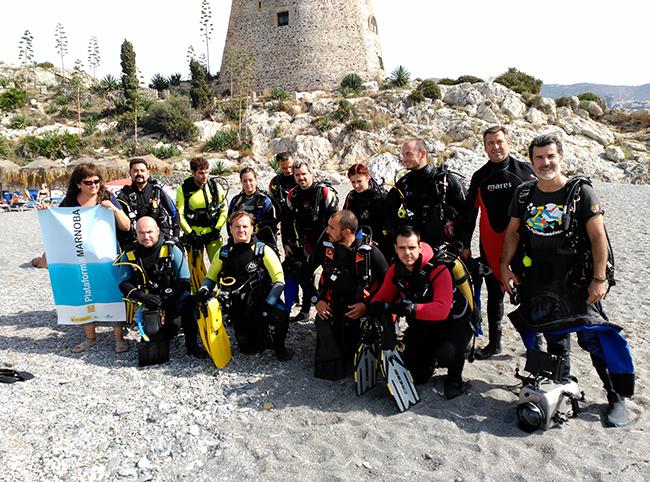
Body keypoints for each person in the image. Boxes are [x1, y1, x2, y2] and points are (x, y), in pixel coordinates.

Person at [500, 134, 634, 427]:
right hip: (541, 279)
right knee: (554, 338)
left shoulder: (580, 192)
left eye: (550, 156)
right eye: (539, 157)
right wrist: (503, 266)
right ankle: (562, 385)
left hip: (577, 280)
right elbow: (513, 232)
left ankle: (615, 397)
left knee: (594, 337)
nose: (545, 162)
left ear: (560, 158)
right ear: (532, 161)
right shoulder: (524, 194)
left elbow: (598, 237)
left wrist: (599, 279)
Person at [370, 226, 474, 399]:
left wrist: (410, 308)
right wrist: (376, 309)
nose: (407, 253)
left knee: (446, 353)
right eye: (402, 248)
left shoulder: (438, 269)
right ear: (395, 249)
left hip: (453, 322)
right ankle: (428, 361)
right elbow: (382, 297)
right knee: (417, 376)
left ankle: (455, 377)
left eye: (411, 248)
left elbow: (441, 310)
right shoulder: (396, 270)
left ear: (419, 247)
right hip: (424, 324)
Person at [461, 126, 537, 359]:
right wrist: (465, 244)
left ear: (509, 142)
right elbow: (469, 214)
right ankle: (495, 344)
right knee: (494, 296)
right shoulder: (480, 177)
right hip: (491, 246)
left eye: (499, 141)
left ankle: (536, 345)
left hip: (523, 246)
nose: (496, 147)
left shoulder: (525, 171)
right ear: (484, 147)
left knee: (531, 295)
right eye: (490, 143)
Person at [41, 163, 131, 352]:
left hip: (106, 256)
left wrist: (113, 210)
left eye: (97, 181)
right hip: (79, 257)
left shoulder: (106, 197)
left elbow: (126, 226)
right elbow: (57, 224)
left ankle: (119, 339)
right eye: (88, 182)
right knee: (85, 293)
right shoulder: (71, 200)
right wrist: (45, 212)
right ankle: (90, 338)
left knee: (111, 294)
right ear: (78, 184)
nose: (93, 186)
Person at [199, 211, 293, 361]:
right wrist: (204, 290)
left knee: (281, 314)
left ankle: (279, 346)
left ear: (252, 228)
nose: (241, 230)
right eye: (237, 226)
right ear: (230, 229)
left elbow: (279, 280)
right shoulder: (224, 252)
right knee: (248, 349)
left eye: (245, 226)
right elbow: (210, 278)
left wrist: (269, 303)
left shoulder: (263, 251)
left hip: (261, 300)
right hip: (237, 304)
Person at [306, 210, 388, 380]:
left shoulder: (369, 252)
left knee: (357, 348)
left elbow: (389, 285)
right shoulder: (325, 249)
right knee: (324, 329)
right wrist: (317, 300)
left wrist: (368, 306)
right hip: (333, 306)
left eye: (331, 227)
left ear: (347, 231)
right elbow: (304, 274)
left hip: (362, 309)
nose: (327, 231)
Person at [117, 217, 205, 358]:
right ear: (136, 233)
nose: (146, 237)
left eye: (149, 232)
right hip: (150, 300)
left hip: (174, 296)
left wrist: (168, 297)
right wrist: (143, 297)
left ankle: (192, 346)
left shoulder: (171, 248)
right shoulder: (130, 253)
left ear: (158, 231)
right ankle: (165, 331)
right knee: (158, 336)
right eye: (141, 233)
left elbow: (185, 279)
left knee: (189, 305)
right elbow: (123, 283)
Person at [386, 138, 467, 248]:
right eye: (403, 155)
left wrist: (465, 245)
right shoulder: (404, 183)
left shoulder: (444, 180)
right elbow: (385, 209)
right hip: (415, 250)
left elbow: (468, 211)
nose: (404, 159)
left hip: (446, 249)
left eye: (408, 154)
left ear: (423, 153)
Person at [284, 159, 339, 322]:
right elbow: (286, 220)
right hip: (306, 242)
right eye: (297, 175)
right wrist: (287, 242)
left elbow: (335, 219)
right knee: (303, 275)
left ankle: (332, 312)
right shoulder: (292, 195)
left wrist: (334, 244)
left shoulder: (324, 192)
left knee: (331, 277)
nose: (301, 178)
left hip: (327, 241)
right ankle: (308, 308)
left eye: (304, 174)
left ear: (311, 174)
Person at [176, 156, 227, 290]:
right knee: (195, 272)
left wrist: (217, 229)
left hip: (213, 234)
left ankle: (223, 296)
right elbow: (180, 214)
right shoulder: (184, 189)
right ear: (193, 172)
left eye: (206, 172)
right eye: (200, 173)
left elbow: (224, 209)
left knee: (221, 267)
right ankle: (197, 299)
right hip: (194, 235)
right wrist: (190, 234)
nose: (204, 176)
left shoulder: (215, 186)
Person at [116, 158, 180, 250]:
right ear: (130, 173)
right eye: (135, 171)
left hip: (160, 239)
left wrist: (176, 236)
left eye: (142, 170)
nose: (139, 174)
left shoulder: (157, 191)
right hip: (136, 242)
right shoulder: (124, 195)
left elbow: (174, 212)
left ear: (148, 172)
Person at [343, 163, 391, 258]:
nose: (356, 185)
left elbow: (391, 220)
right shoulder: (351, 197)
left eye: (359, 181)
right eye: (353, 182)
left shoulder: (381, 195)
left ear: (367, 178)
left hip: (381, 241)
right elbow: (345, 220)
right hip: (359, 240)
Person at [228, 167, 279, 249]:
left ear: (256, 180)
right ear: (241, 182)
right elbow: (230, 224)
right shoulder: (236, 201)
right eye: (245, 181)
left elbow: (271, 227)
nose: (248, 183)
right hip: (239, 243)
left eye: (250, 180)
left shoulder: (265, 201)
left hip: (262, 244)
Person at [268, 151, 298, 249]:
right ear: (279, 166)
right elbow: (270, 203)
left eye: (290, 167)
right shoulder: (275, 182)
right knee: (289, 253)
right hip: (285, 223)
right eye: (284, 168)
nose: (288, 171)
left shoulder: (300, 177)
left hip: (303, 221)